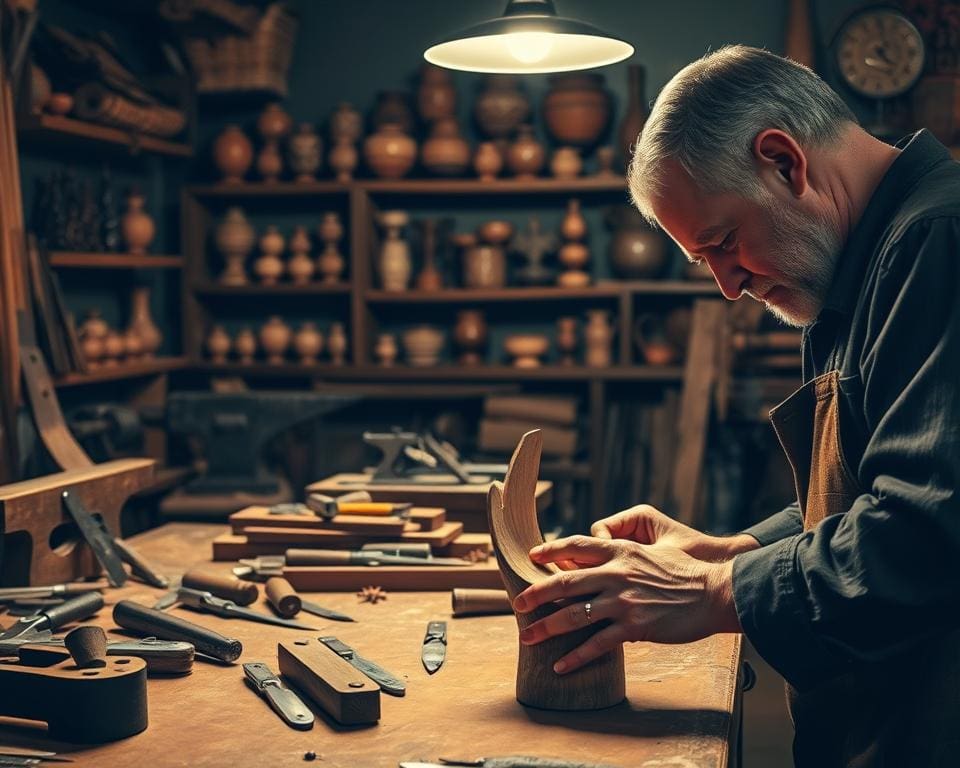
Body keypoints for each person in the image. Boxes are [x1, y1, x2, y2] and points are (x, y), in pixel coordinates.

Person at [512, 45, 960, 767]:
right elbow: (866, 493)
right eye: (705, 261)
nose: (728, 286)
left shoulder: (939, 242)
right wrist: (728, 550)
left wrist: (716, 592)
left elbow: (929, 537)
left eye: (724, 243)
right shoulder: (853, 268)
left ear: (784, 161)